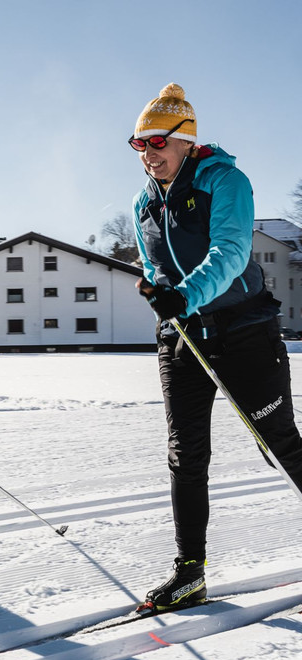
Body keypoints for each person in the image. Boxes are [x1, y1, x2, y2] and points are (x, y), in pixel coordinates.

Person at [130, 83, 302, 609]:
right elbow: (151, 266)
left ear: (185, 140)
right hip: (181, 341)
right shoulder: (143, 203)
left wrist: (182, 296)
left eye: (157, 142)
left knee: (279, 442)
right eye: (139, 145)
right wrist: (159, 294)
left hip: (244, 333)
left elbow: (229, 253)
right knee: (186, 457)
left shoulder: (225, 180)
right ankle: (190, 572)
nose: (148, 154)